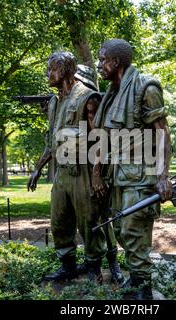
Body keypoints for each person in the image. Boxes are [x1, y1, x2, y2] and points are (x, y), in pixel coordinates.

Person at [92, 39, 173, 299]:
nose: (99, 65)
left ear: (116, 62)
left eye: (102, 60)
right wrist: (96, 174)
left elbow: (162, 135)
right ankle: (136, 281)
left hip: (140, 177)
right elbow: (106, 139)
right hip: (117, 176)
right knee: (120, 231)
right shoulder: (112, 95)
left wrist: (163, 177)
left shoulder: (145, 87)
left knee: (133, 232)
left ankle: (143, 291)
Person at [27, 52, 107, 283]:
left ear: (65, 70)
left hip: (83, 170)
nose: (47, 74)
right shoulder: (54, 102)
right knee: (59, 222)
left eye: (51, 68)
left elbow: (101, 139)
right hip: (62, 172)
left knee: (89, 222)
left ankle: (94, 268)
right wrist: (38, 168)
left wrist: (96, 175)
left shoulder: (87, 98)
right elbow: (53, 141)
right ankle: (68, 266)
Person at [73, 64, 125, 285]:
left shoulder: (92, 100)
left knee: (102, 217)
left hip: (98, 165)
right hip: (84, 165)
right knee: (88, 218)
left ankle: (113, 262)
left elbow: (99, 132)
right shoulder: (79, 102)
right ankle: (97, 262)